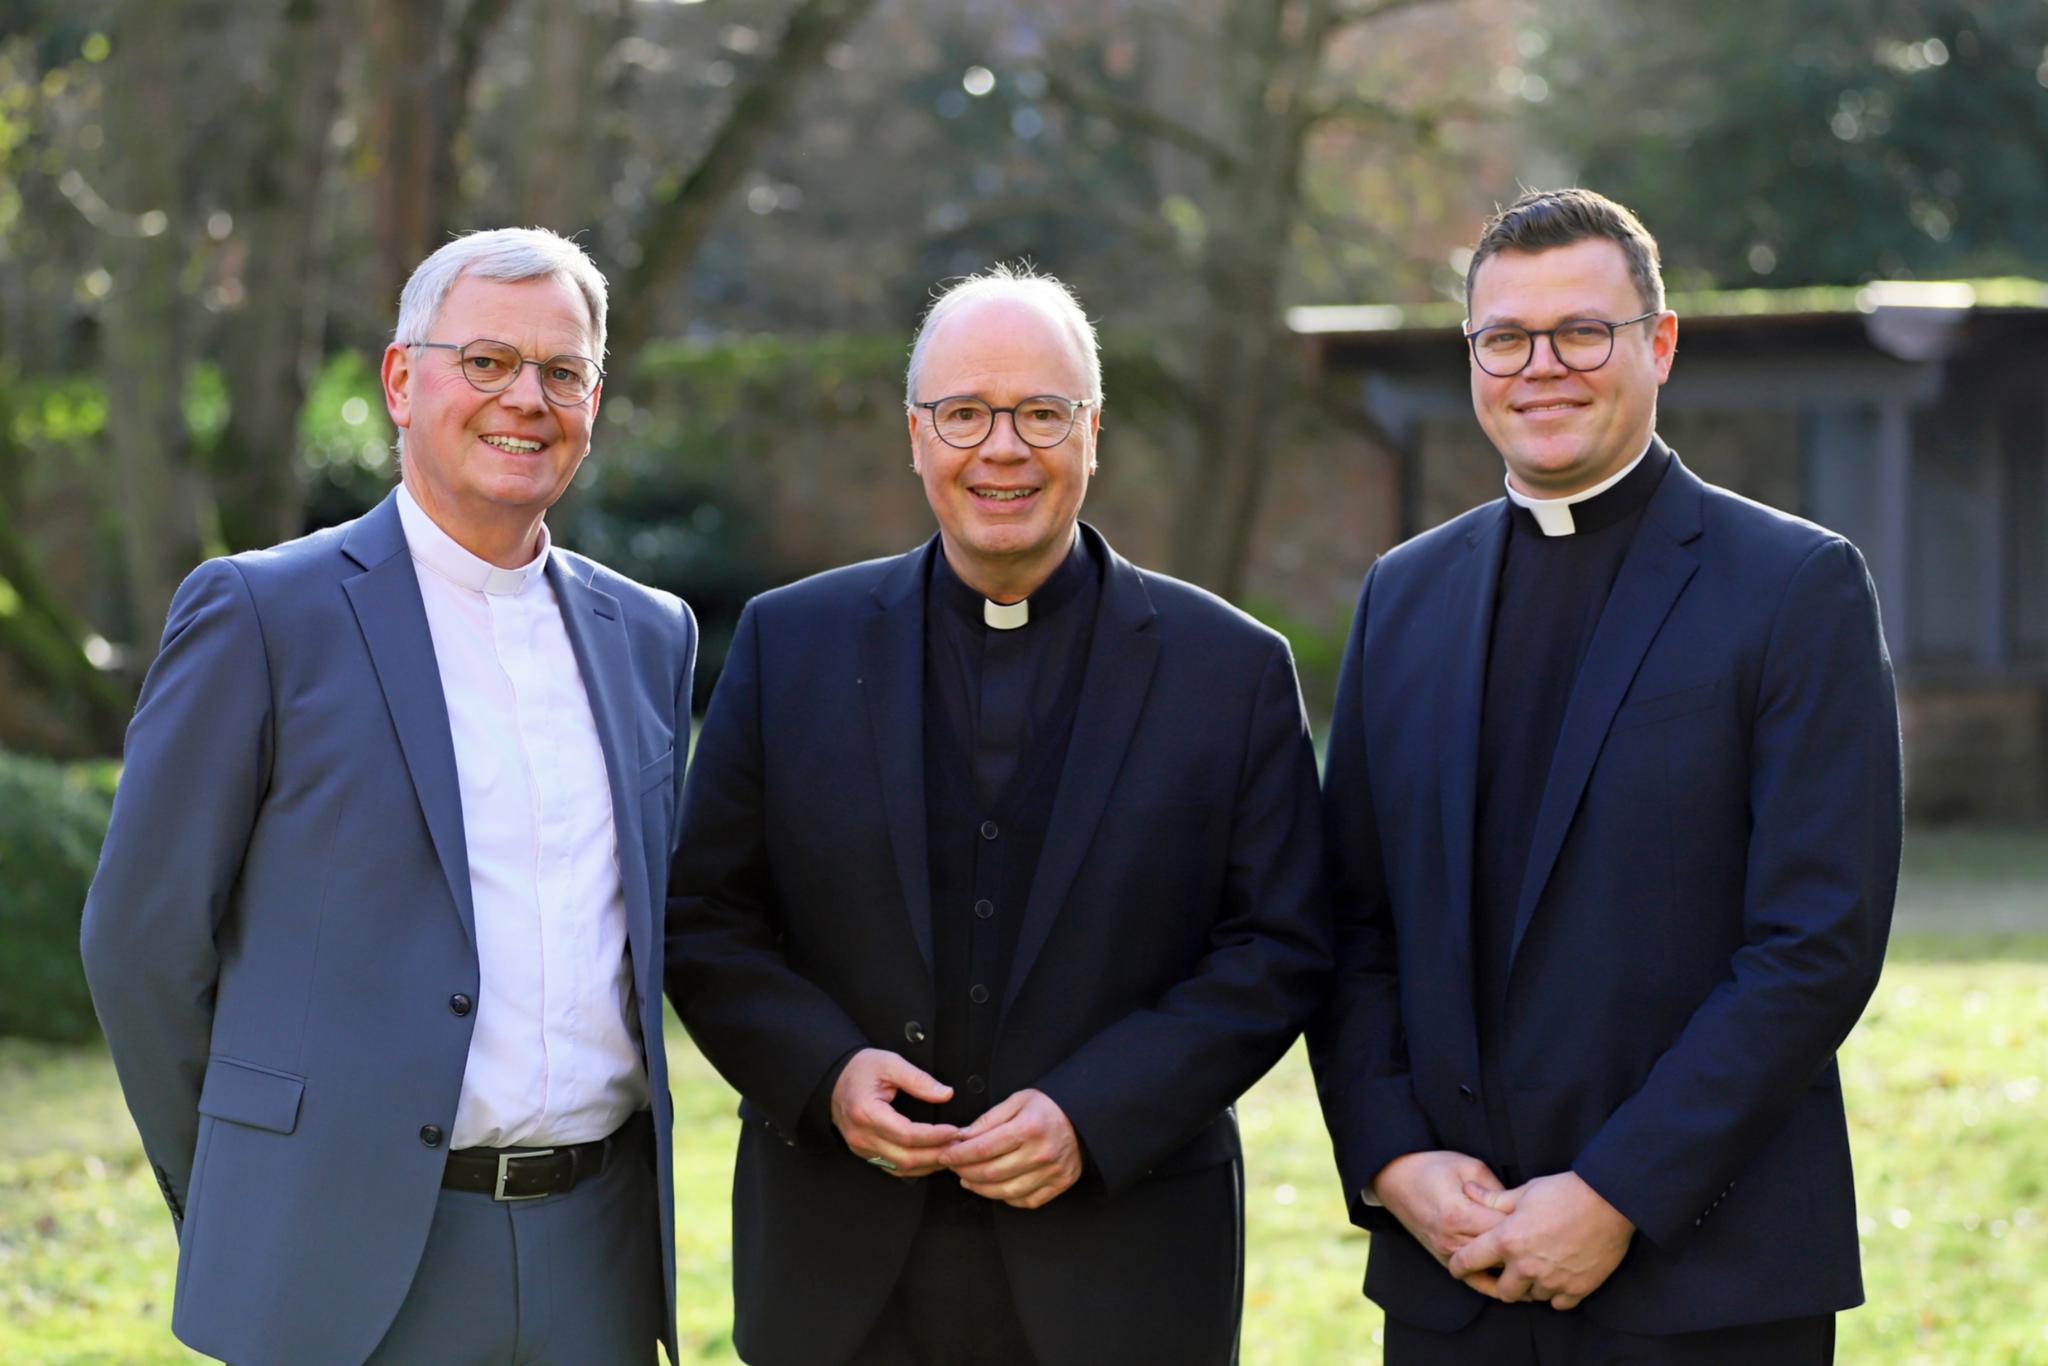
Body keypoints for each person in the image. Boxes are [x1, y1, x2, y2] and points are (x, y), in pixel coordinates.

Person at [667, 264, 1330, 1366]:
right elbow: (706, 920)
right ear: (915, 435)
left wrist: (1095, 1114)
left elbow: (1279, 946)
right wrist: (824, 1077)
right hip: (836, 1276)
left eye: (1041, 413)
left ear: (1093, 431)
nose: (1003, 448)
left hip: (1125, 1273)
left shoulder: (1231, 671)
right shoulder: (789, 647)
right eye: (965, 413)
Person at [80, 227, 697, 1366]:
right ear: (402, 381)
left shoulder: (649, 634)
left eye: (563, 371)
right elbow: (140, 944)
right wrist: (247, 1189)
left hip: (600, 1257)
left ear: (593, 401)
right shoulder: (263, 615)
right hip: (345, 1262)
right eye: (488, 361)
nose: (527, 399)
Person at [1309, 188, 1901, 1363]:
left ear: (1658, 343)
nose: (1541, 368)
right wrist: (1392, 1157)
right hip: (1451, 1274)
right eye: (1503, 338)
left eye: (1581, 332)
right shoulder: (1401, 596)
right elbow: (1348, 921)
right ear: (1470, 355)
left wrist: (1616, 1191)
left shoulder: (1793, 586)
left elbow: (1811, 945)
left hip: (1706, 1282)